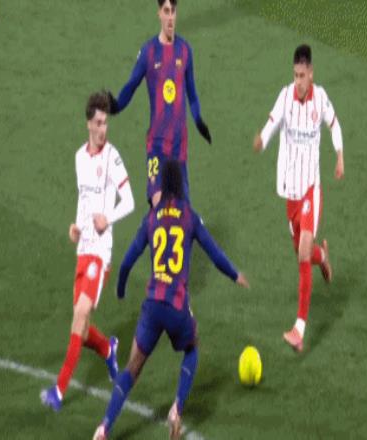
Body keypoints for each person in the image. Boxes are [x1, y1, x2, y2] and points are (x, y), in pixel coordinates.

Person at [93, 160, 249, 440]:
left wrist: (121, 288)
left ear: (163, 185)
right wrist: (234, 274)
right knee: (192, 346)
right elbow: (214, 253)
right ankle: (177, 408)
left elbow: (127, 260)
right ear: (182, 185)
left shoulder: (151, 218)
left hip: (152, 306)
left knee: (132, 368)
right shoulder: (189, 216)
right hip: (177, 306)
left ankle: (104, 427)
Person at [40, 91, 135, 411]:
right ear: (88, 125)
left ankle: (59, 390)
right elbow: (84, 200)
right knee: (79, 329)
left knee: (81, 313)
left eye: (106, 123)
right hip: (83, 248)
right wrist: (76, 226)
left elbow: (130, 201)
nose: (103, 129)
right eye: (99, 123)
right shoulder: (80, 158)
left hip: (101, 252)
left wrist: (108, 218)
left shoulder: (113, 158)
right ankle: (108, 349)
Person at [253, 44, 344, 352]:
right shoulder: (285, 97)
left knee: (303, 251)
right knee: (303, 253)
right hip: (290, 193)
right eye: (295, 75)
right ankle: (323, 257)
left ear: (311, 73)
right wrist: (262, 139)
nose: (299, 81)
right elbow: (272, 122)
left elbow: (334, 124)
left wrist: (340, 156)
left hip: (310, 190)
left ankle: (299, 329)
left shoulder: (321, 98)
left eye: (303, 75)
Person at [108, 0, 211, 206]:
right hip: (157, 143)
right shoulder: (149, 52)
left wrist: (198, 120)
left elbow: (192, 93)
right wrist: (117, 105)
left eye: (173, 11)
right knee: (158, 206)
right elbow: (132, 84)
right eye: (166, 11)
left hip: (179, 145)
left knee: (182, 210)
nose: (170, 17)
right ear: (159, 14)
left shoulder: (185, 50)